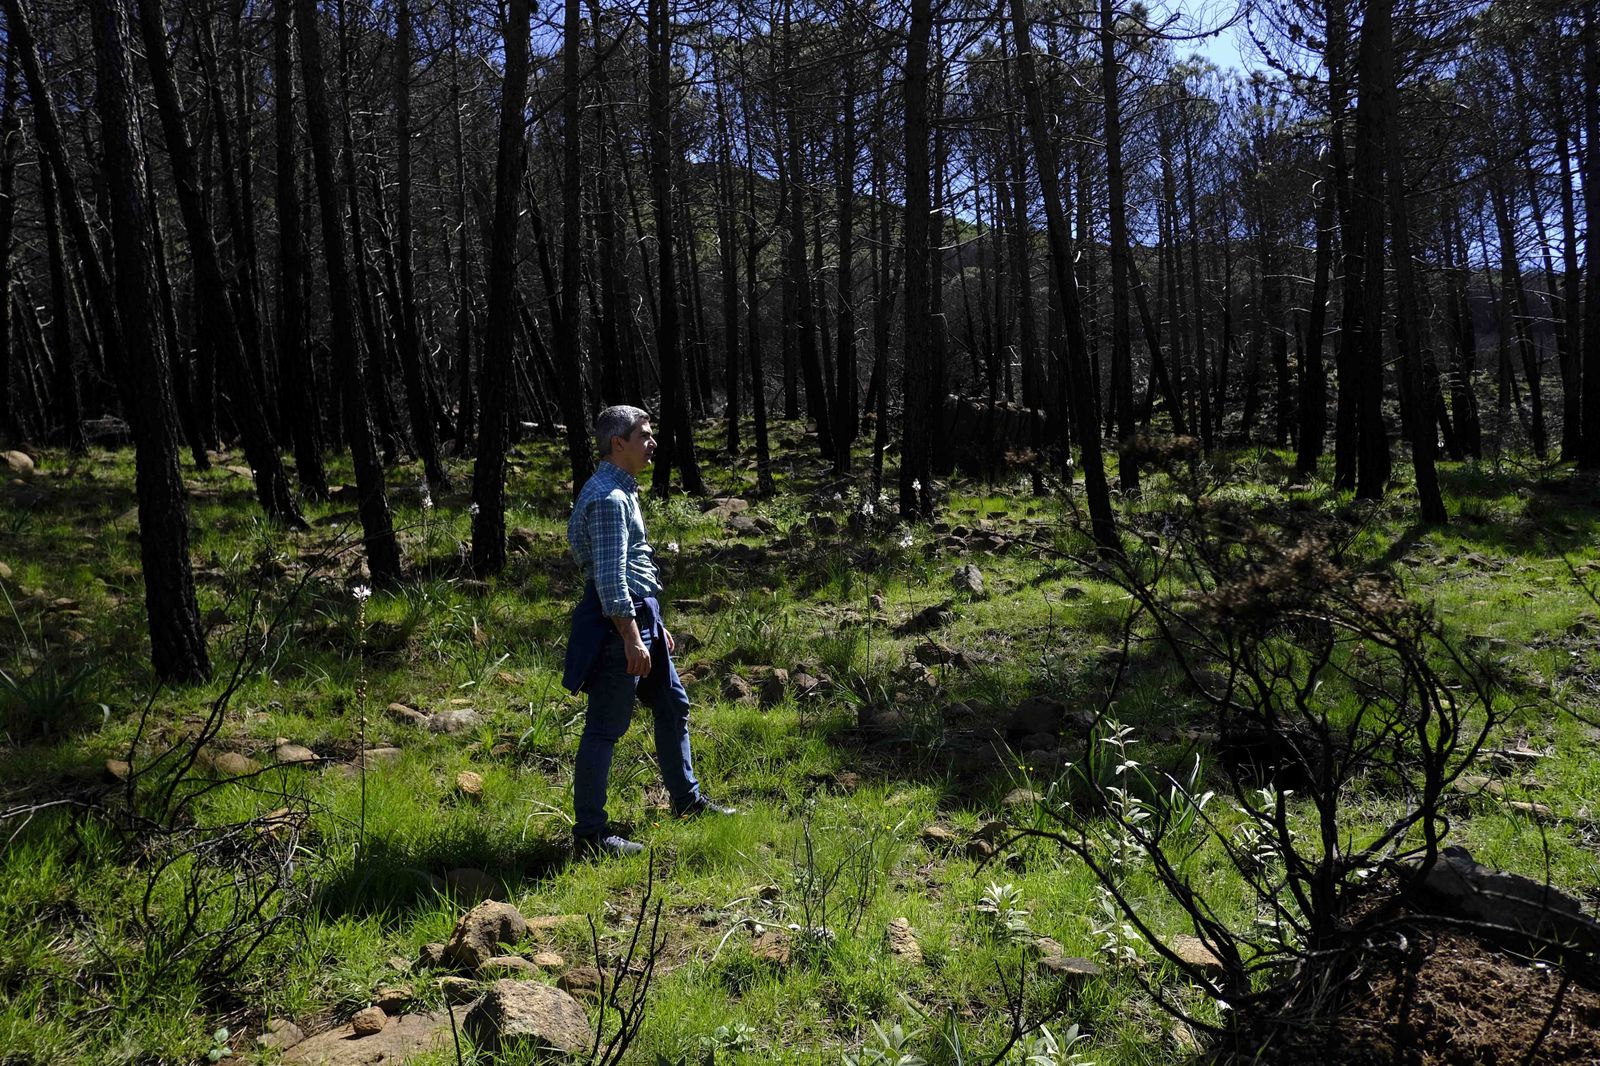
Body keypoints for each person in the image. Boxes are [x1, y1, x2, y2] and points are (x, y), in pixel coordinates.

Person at [561, 405, 735, 857]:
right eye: (644, 435)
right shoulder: (608, 498)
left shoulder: (622, 490)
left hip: (641, 617)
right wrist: (632, 635)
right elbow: (609, 578)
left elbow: (630, 568)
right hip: (617, 627)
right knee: (605, 727)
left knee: (673, 705)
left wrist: (654, 624)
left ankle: (686, 801)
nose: (652, 442)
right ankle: (590, 836)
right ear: (618, 443)